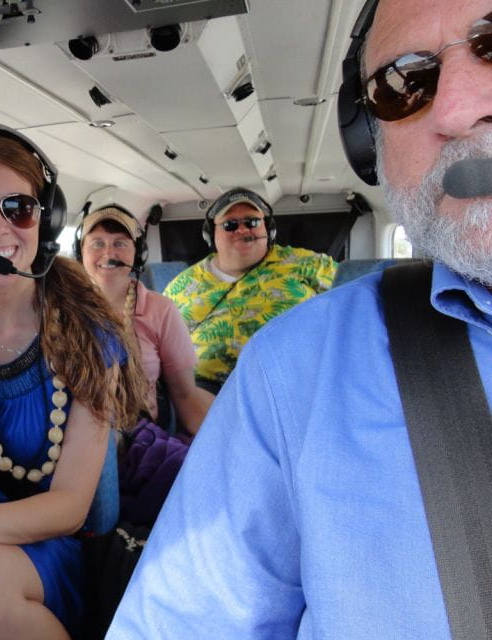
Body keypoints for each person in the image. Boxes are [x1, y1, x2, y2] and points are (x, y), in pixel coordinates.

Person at [108, 0, 492, 637]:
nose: (455, 109)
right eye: (405, 84)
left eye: (254, 221)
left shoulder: (310, 280)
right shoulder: (230, 321)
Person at [0, 125, 148, 639]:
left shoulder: (88, 335)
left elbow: (69, 508)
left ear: (45, 220)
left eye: (17, 208)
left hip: (39, 542)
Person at [163, 188, 337, 393]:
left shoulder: (309, 264)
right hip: (206, 395)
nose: (243, 230)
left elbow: (354, 304)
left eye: (252, 222)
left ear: (268, 229)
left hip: (294, 386)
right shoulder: (181, 286)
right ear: (211, 235)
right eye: (230, 225)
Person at [76, 206, 213, 434]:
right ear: (80, 251)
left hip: (140, 439)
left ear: (138, 253)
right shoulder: (61, 307)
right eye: (97, 243)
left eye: (120, 243)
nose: (109, 254)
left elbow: (186, 395)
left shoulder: (161, 310)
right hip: (78, 434)